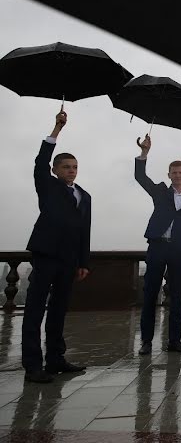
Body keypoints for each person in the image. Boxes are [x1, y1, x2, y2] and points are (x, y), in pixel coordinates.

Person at [21, 110, 91, 383]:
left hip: (69, 260)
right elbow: (40, 161)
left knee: (59, 310)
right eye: (66, 167)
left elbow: (84, 230)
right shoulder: (47, 186)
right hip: (46, 254)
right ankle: (32, 366)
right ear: (55, 170)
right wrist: (56, 129)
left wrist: (83, 261)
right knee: (35, 310)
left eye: (74, 167)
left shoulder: (84, 195)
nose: (71, 171)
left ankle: (56, 359)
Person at [135, 135, 181, 355]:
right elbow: (139, 176)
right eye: (173, 172)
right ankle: (146, 341)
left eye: (180, 172)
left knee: (176, 296)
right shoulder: (160, 192)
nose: (177, 175)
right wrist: (144, 153)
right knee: (150, 293)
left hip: (178, 251)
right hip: (157, 247)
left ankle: (174, 340)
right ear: (169, 175)